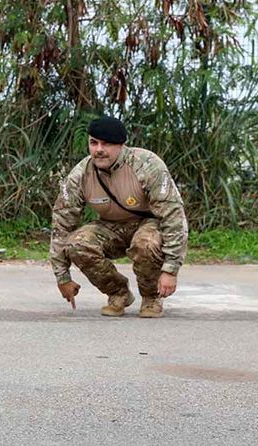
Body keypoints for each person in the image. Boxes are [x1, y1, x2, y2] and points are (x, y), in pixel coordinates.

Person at [49, 116, 188, 317]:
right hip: (111, 227)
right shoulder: (80, 174)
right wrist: (62, 277)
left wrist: (170, 270)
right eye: (93, 143)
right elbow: (61, 224)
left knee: (145, 243)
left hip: (148, 226)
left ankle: (151, 297)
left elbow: (173, 217)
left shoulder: (147, 165)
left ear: (121, 145)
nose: (98, 150)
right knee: (76, 244)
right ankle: (118, 293)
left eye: (106, 144)